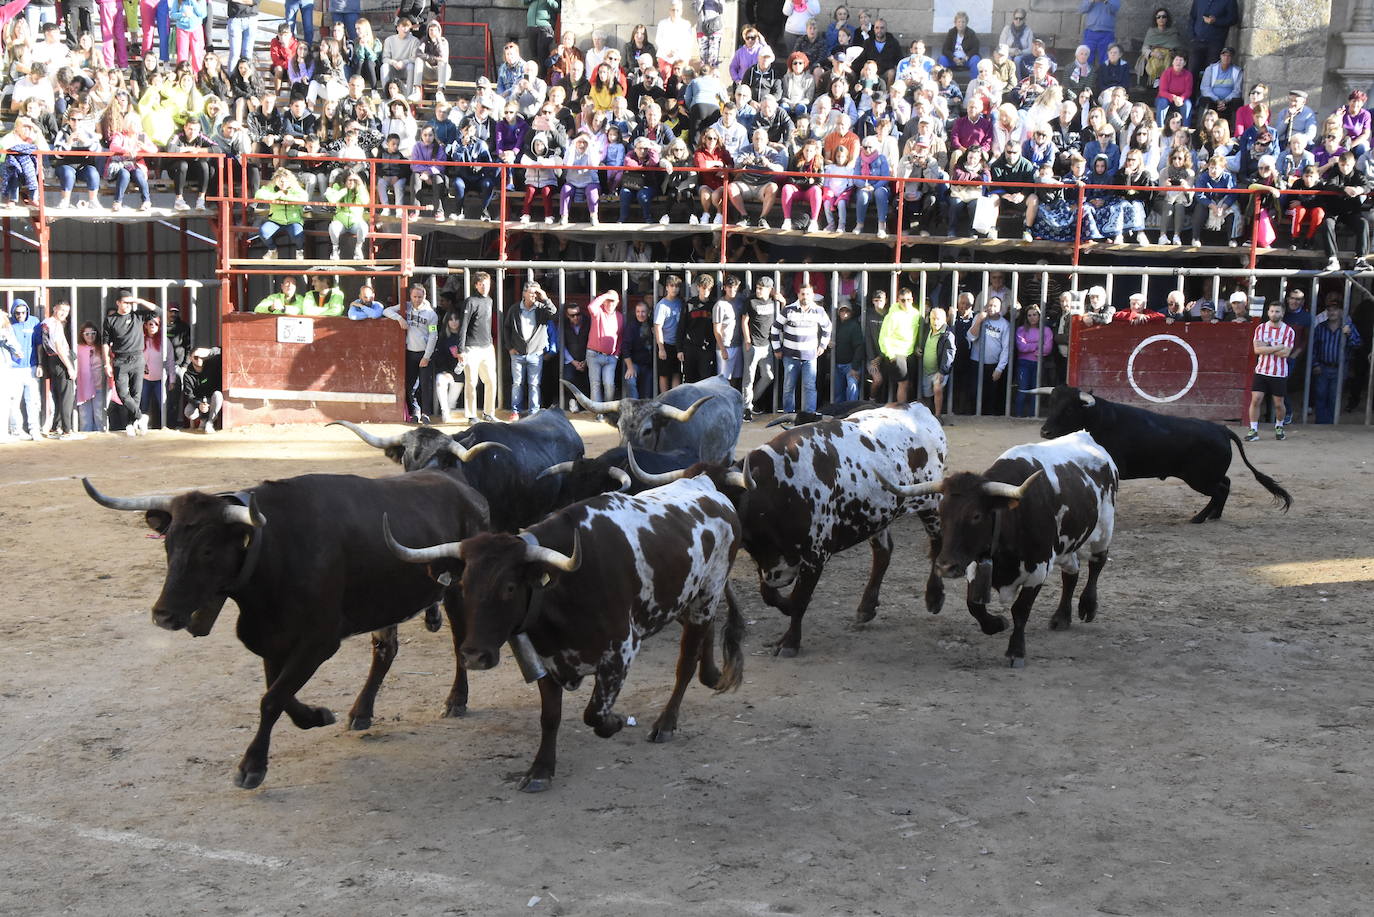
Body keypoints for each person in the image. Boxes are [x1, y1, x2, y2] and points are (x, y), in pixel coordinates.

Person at [102, 290, 159, 435]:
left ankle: (130, 423)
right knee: (122, 393)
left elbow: (158, 311)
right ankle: (140, 417)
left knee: (136, 393)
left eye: (129, 303)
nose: (127, 305)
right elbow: (105, 343)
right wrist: (106, 363)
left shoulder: (138, 315)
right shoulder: (110, 320)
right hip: (120, 359)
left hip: (138, 358)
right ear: (118, 303)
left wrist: (139, 301)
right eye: (124, 302)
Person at [771, 283, 831, 413]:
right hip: (790, 357)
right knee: (788, 387)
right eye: (803, 294)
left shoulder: (818, 310)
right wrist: (776, 349)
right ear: (798, 295)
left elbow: (828, 327)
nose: (805, 297)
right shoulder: (788, 309)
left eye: (808, 294)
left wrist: (823, 345)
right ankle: (788, 415)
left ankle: (809, 415)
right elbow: (775, 328)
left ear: (812, 295)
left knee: (809, 387)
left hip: (810, 357)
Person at [384, 284, 438, 423]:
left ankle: (426, 413)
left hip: (424, 353)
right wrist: (400, 318)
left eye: (420, 297)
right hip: (409, 352)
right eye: (414, 296)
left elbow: (433, 335)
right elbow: (386, 311)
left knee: (425, 385)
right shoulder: (406, 306)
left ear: (424, 296)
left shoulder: (431, 314)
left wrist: (427, 356)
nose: (417, 299)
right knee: (410, 385)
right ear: (410, 296)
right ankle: (416, 411)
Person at [504, 280, 557, 417]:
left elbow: (554, 313)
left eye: (536, 293)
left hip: (536, 353)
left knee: (534, 384)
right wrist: (509, 347)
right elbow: (507, 328)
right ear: (524, 294)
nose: (534, 296)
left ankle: (534, 412)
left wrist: (544, 298)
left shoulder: (541, 309)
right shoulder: (514, 309)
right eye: (532, 293)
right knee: (517, 383)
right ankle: (515, 411)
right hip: (517, 354)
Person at [1244, 301, 1295, 441]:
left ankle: (1279, 426)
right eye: (1272, 311)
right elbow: (1257, 350)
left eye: (1277, 311)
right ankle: (1253, 429)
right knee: (1256, 399)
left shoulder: (1289, 331)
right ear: (1268, 312)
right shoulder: (1261, 328)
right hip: (1261, 371)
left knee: (1278, 404)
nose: (1274, 314)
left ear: (1283, 313)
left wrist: (1267, 346)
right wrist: (1278, 346)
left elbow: (1285, 354)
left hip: (1279, 373)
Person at [452, 271, 498, 424]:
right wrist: (461, 350)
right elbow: (463, 327)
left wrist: (490, 344)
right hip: (471, 348)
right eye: (481, 284)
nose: (485, 287)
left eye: (487, 283)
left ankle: (488, 413)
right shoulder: (470, 301)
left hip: (487, 347)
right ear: (476, 285)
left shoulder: (490, 301)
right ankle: (471, 415)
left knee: (491, 380)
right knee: (471, 382)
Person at [1310, 299, 1363, 424]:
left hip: (1339, 368)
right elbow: (1313, 348)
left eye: (1335, 309)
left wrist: (1349, 334)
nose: (1332, 312)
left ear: (1340, 312)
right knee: (1321, 396)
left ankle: (1331, 425)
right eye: (1329, 310)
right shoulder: (1320, 328)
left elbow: (1357, 345)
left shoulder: (1348, 327)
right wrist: (1315, 364)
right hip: (1322, 367)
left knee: (1334, 397)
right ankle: (1320, 424)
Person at [743, 275, 782, 419]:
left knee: (769, 376)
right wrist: (747, 340)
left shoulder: (774, 301)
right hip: (753, 343)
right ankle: (746, 409)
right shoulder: (751, 301)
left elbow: (783, 313)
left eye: (761, 288)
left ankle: (750, 402)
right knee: (749, 378)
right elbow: (744, 320)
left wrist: (782, 300)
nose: (758, 290)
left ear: (769, 290)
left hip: (766, 345)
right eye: (757, 287)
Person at [966, 295, 1011, 415]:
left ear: (1001, 308)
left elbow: (1006, 349)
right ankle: (973, 417)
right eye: (990, 305)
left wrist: (1000, 368)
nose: (991, 308)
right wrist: (979, 321)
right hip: (976, 362)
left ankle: (988, 419)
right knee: (974, 392)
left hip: (993, 365)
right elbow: (971, 337)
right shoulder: (979, 317)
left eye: (995, 305)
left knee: (990, 395)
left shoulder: (1005, 324)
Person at [875, 286, 920, 402]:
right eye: (903, 300)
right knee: (903, 383)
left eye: (908, 300)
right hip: (896, 353)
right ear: (898, 300)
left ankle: (905, 409)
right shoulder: (892, 316)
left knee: (909, 384)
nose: (906, 302)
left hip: (910, 353)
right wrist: (891, 355)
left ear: (912, 299)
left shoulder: (916, 314)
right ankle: (901, 412)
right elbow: (884, 337)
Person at [584, 288, 625, 407]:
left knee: (609, 384)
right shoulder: (599, 312)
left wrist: (617, 354)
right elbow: (591, 307)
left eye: (613, 301)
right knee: (595, 384)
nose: (610, 303)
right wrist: (605, 296)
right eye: (608, 300)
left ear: (617, 302)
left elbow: (620, 337)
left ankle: (607, 409)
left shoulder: (620, 316)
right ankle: (598, 412)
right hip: (594, 354)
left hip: (611, 357)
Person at [255, 168, 308, 259]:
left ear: (290, 180)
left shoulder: (296, 187)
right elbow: (258, 195)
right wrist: (277, 195)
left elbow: (304, 198)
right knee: (264, 231)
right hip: (275, 220)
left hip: (293, 220)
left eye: (284, 181)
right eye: (279, 181)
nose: (282, 184)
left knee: (298, 233)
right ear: (275, 180)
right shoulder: (271, 188)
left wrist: (284, 197)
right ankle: (272, 250)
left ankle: (299, 251)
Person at [7, 300, 41, 438]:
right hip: (14, 368)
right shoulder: (8, 323)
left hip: (31, 366)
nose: (20, 315)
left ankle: (34, 429)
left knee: (32, 400)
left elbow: (39, 344)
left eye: (23, 312)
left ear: (27, 311)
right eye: (17, 313)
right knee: (14, 400)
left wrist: (40, 364)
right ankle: (17, 429)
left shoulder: (34, 321)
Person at [1013, 304, 1053, 416]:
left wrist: (1030, 346)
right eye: (1029, 315)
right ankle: (1018, 416)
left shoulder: (1046, 330)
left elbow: (1048, 348)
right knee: (1022, 390)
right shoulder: (1021, 330)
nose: (1032, 317)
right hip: (1024, 364)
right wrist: (1038, 345)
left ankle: (1032, 416)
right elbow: (1021, 347)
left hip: (1038, 364)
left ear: (1039, 316)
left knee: (1035, 391)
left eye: (1035, 314)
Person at [918, 305, 956, 418]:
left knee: (937, 389)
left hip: (939, 370)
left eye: (938, 318)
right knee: (927, 394)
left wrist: (942, 371)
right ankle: (929, 415)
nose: (935, 321)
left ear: (945, 320)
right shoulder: (927, 330)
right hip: (926, 370)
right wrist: (919, 350)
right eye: (933, 318)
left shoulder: (947, 335)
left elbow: (949, 354)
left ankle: (938, 416)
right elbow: (924, 345)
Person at [1188, 0, 1239, 81]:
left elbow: (1233, 19)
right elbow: (1192, 17)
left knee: (1212, 73)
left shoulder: (1229, 1)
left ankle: (1207, 94)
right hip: (1197, 41)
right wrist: (1192, 36)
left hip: (1215, 43)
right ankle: (1192, 94)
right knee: (1192, 72)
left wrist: (1216, 21)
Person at [75, 321, 109, 432]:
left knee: (100, 415)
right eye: (87, 334)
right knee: (85, 417)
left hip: (99, 385)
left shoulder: (101, 348)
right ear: (82, 335)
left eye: (93, 333)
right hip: (83, 387)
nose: (90, 336)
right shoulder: (78, 348)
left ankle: (101, 438)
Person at [653, 274, 686, 392]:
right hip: (665, 344)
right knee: (664, 374)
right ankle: (664, 401)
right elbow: (657, 327)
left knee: (677, 372)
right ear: (666, 287)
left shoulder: (681, 303)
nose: (674, 289)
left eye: (677, 286)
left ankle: (674, 402)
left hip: (678, 344)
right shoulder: (661, 305)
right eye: (671, 286)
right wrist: (661, 348)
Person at [181, 346, 223, 432]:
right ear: (190, 358)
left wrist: (209, 351)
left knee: (218, 395)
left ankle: (210, 423)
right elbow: (189, 395)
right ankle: (203, 420)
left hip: (211, 399)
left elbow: (223, 351)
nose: (199, 359)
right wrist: (199, 404)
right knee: (188, 412)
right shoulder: (187, 375)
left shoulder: (211, 364)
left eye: (202, 357)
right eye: (196, 357)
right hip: (199, 401)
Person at [713, 275, 745, 386]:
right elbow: (716, 329)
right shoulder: (720, 305)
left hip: (738, 344)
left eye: (735, 287)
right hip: (726, 346)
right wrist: (722, 349)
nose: (732, 290)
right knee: (723, 380)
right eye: (730, 287)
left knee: (736, 378)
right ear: (725, 288)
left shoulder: (741, 299)